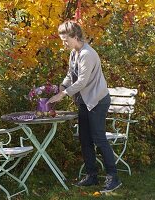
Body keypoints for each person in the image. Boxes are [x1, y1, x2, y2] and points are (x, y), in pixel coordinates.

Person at [47, 21, 122, 193]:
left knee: (98, 138)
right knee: (85, 139)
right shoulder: (74, 53)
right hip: (84, 101)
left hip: (97, 101)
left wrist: (62, 95)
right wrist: (62, 86)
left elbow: (82, 81)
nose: (63, 44)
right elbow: (70, 75)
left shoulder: (87, 54)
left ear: (75, 37)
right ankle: (92, 176)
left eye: (65, 40)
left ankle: (113, 177)